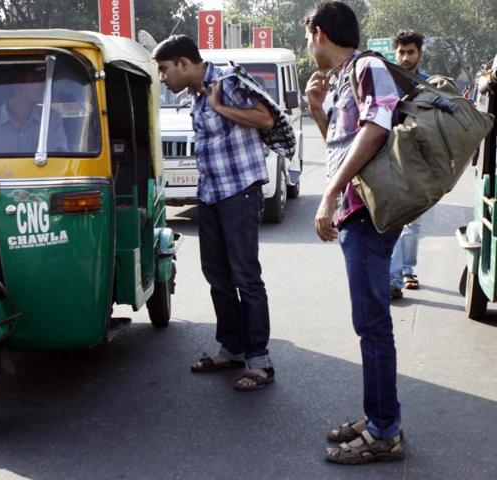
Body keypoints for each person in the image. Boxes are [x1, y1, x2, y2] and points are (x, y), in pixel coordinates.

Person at [304, 1, 404, 464]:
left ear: (321, 32)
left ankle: (385, 431)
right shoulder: (345, 76)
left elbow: (378, 126)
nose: (308, 48)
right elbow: (340, 146)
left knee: (373, 326)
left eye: (308, 38)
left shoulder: (366, 66)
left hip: (365, 212)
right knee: (368, 325)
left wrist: (330, 194)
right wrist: (317, 109)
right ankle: (378, 416)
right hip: (354, 211)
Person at [152, 35, 276, 391]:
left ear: (184, 64)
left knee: (245, 277)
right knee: (217, 276)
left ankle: (259, 361)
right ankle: (231, 349)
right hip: (210, 194)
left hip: (239, 192)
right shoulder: (194, 94)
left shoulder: (227, 81)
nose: (162, 78)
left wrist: (220, 107)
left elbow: (264, 118)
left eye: (164, 69)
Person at [389, 30, 429, 299]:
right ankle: (392, 280)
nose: (405, 58)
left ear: (419, 54)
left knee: (412, 224)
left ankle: (407, 270)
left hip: (418, 163)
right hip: (388, 160)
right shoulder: (384, 83)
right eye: (401, 52)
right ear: (395, 53)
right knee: (391, 222)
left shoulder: (429, 86)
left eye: (410, 52)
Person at [0, 67, 67, 154]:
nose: (43, 86)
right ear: (18, 84)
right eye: (37, 79)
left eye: (44, 80)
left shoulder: (51, 119)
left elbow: (59, 161)